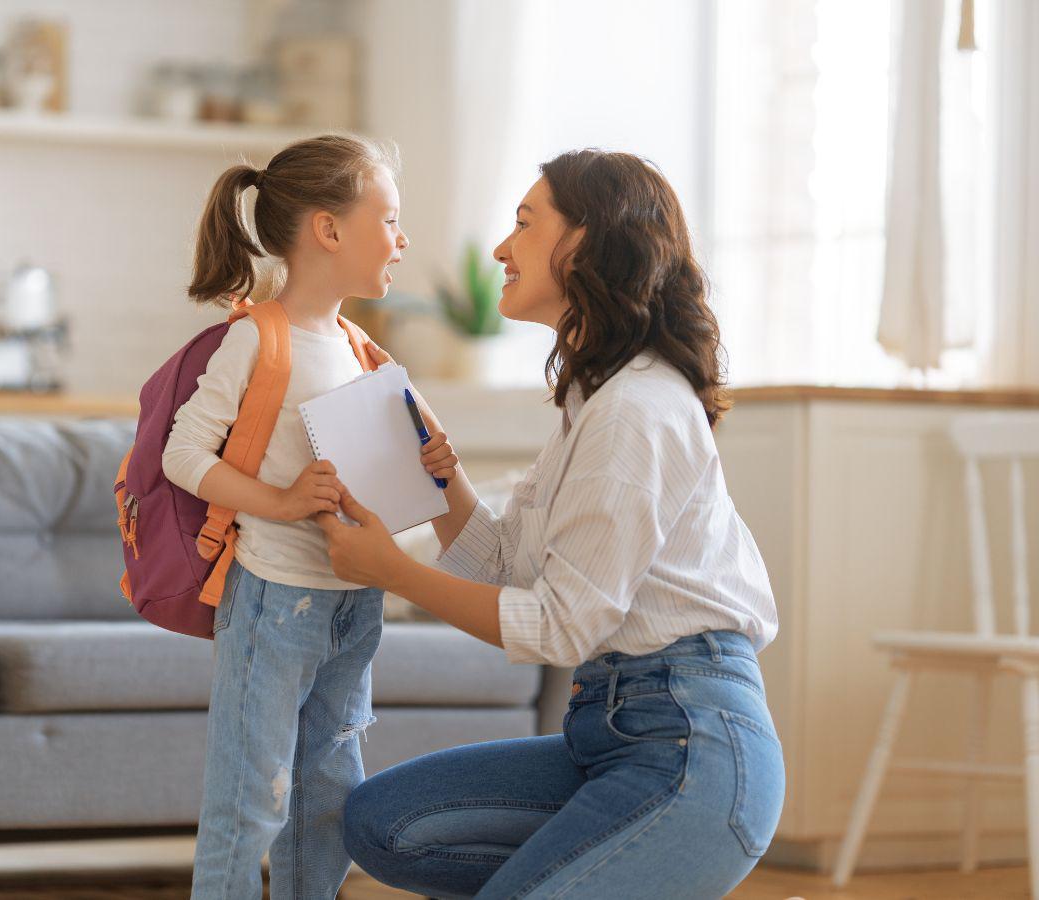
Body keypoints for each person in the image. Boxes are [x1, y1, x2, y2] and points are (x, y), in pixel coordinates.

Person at [318, 148, 785, 899]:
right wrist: (442, 482)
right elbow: (506, 566)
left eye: (525, 224)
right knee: (382, 822)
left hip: (690, 743)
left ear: (588, 242)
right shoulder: (591, 403)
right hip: (609, 732)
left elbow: (559, 627)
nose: (502, 248)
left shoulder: (635, 412)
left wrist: (393, 572)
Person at [161, 134, 409, 899]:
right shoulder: (256, 337)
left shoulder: (361, 349)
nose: (403, 239)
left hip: (352, 606)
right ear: (329, 231)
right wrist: (282, 501)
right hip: (273, 602)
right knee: (248, 801)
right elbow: (184, 454)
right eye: (390, 218)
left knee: (328, 803)